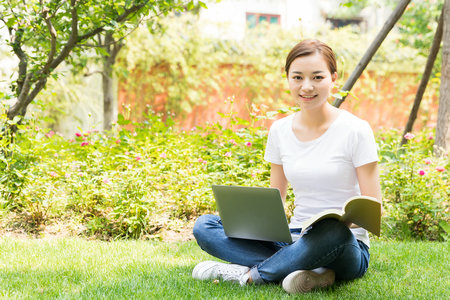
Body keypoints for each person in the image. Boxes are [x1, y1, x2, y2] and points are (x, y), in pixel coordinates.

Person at [191, 39, 382, 294]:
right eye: (298, 77)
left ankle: (249, 276)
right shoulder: (280, 131)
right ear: (288, 79)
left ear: (333, 78)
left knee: (331, 232)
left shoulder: (356, 130)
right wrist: (257, 225)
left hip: (345, 244)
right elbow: (276, 200)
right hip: (294, 235)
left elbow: (373, 211)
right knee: (205, 226)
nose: (307, 86)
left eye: (317, 77)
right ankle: (309, 270)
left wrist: (346, 223)